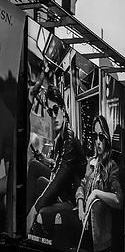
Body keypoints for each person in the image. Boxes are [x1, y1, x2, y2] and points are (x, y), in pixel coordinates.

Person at [26, 85, 86, 243]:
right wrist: (46, 161)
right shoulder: (60, 138)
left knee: (40, 208)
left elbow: (61, 175)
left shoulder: (70, 140)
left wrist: (36, 207)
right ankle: (24, 219)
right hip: (63, 190)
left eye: (56, 109)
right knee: (34, 167)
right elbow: (59, 167)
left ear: (64, 110)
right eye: (50, 112)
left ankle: (28, 221)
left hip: (71, 198)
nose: (53, 116)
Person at [75, 114, 122, 252]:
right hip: (84, 229)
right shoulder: (91, 162)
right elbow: (81, 186)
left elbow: (119, 200)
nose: (97, 142)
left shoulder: (111, 166)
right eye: (95, 137)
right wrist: (81, 204)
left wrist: (96, 193)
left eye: (101, 137)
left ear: (106, 138)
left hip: (100, 236)